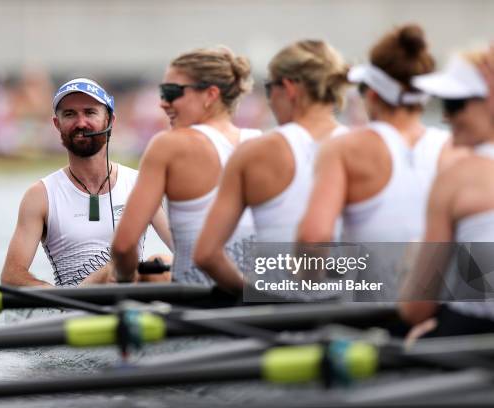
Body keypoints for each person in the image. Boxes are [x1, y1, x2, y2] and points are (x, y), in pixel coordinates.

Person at [295, 25, 462, 300]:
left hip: (368, 321)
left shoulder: (343, 149)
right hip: (439, 318)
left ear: (372, 94)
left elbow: (314, 239)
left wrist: (307, 286)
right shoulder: (457, 150)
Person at [193, 40, 350, 294]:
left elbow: (206, 254)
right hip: (358, 316)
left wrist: (254, 293)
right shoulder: (370, 149)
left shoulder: (255, 152)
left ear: (288, 88)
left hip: (277, 318)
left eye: (268, 88)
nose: (270, 100)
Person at [1, 78, 172, 287]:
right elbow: (11, 276)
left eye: (90, 112)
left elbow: (183, 251)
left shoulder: (140, 184)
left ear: (109, 120)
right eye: (70, 114)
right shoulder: (40, 195)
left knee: (162, 264)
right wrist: (62, 298)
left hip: (130, 294)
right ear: (57, 124)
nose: (81, 123)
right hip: (74, 304)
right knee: (115, 268)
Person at [112, 46, 260, 285]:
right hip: (261, 303)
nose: (162, 103)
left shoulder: (168, 145)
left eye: (171, 92)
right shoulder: (263, 143)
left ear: (211, 95)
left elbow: (123, 245)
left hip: (196, 306)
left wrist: (123, 282)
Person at [399, 49, 494, 336]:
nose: (445, 117)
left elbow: (416, 308)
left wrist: (413, 262)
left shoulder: (456, 176)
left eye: (454, 105)